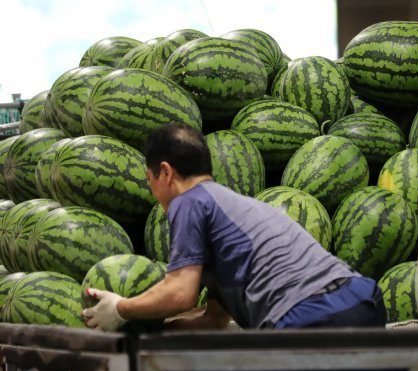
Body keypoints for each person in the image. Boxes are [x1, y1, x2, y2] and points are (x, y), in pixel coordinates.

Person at [82, 123, 387, 331]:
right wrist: (153, 333)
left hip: (311, 316)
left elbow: (180, 293)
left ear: (165, 172)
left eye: (150, 183)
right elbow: (213, 320)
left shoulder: (190, 202)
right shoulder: (235, 209)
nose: (154, 195)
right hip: (361, 299)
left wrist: (122, 308)